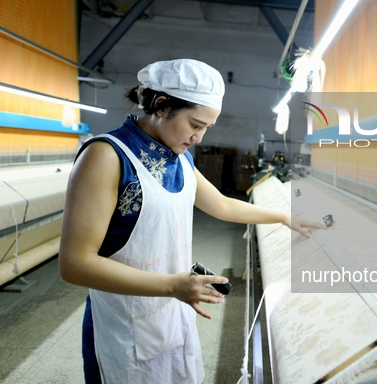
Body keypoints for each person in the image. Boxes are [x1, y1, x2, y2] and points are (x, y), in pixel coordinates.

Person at [58, 59, 325, 384]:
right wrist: (173, 285)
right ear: (160, 105)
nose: (198, 137)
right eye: (195, 124)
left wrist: (284, 217)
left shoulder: (179, 157)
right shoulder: (106, 156)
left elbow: (223, 205)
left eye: (206, 128)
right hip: (122, 325)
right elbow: (74, 263)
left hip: (172, 313)